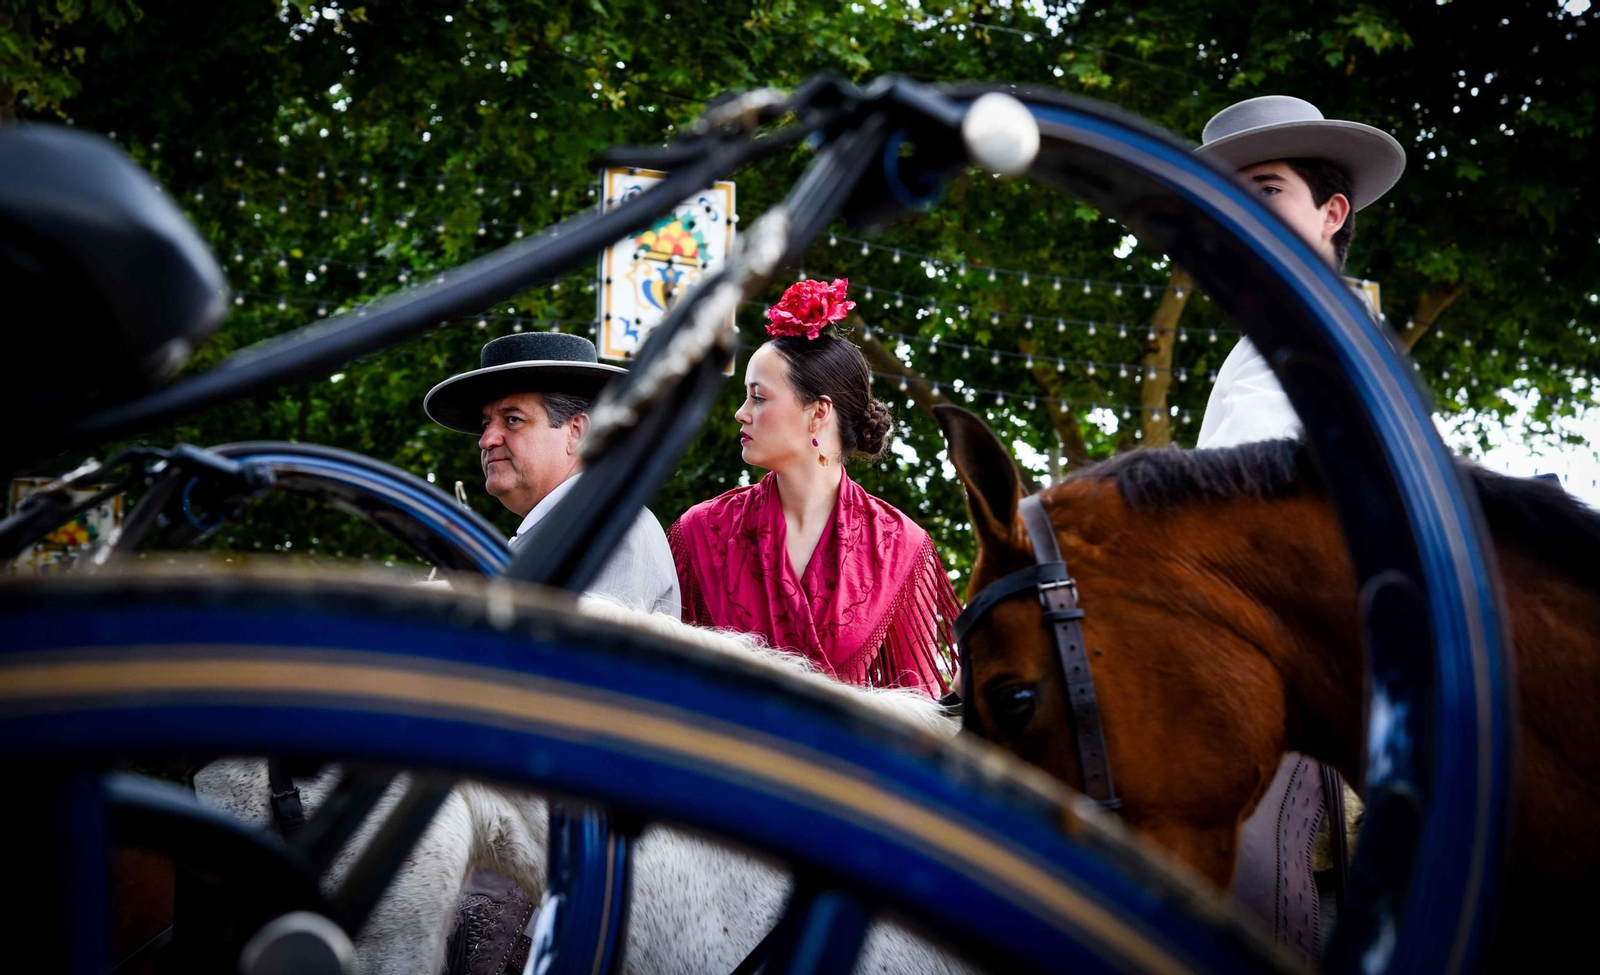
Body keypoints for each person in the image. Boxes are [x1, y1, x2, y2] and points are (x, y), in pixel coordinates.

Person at [1191, 94, 1406, 966]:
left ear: (1332, 210)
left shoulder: (1333, 343)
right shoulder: (1272, 341)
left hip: (1310, 689)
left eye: (1267, 189)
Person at [668, 278, 959, 696]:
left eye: (758, 397)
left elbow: (916, 708)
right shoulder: (701, 531)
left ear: (818, 412)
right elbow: (665, 680)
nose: (740, 413)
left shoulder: (901, 547)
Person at [1194, 94, 1402, 449]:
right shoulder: (1338, 327)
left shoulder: (1305, 328)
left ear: (1332, 214)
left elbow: (1245, 475)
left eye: (1268, 190)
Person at [424, 330, 680, 616]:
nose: (486, 440)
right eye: (486, 424)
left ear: (576, 432)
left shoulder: (611, 529)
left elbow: (574, 645)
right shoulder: (572, 528)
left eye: (513, 420)